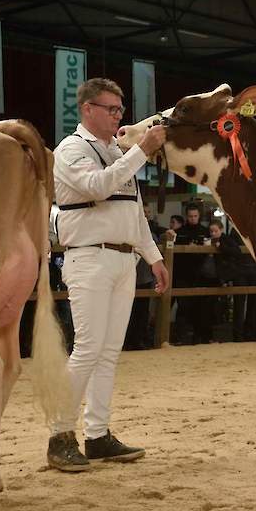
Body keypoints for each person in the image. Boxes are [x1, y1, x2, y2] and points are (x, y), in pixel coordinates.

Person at [48, 77, 169, 472]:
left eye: (120, 109)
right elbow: (96, 187)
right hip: (88, 258)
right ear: (88, 109)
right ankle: (59, 436)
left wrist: (152, 257)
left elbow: (132, 211)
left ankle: (97, 435)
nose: (118, 116)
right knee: (87, 349)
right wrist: (141, 153)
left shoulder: (115, 151)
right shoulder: (70, 149)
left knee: (108, 353)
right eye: (111, 109)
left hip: (122, 260)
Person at [173, 204, 213, 344]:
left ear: (199, 216)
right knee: (183, 306)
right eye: (190, 216)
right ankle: (180, 338)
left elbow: (209, 250)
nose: (193, 218)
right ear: (186, 216)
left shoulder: (205, 231)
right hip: (183, 274)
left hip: (200, 274)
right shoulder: (179, 232)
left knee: (200, 307)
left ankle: (198, 338)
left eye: (195, 216)